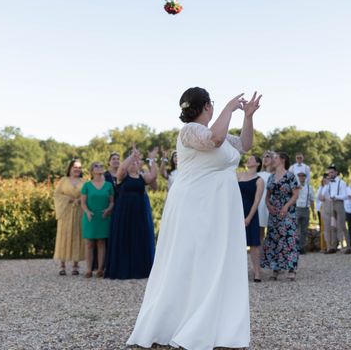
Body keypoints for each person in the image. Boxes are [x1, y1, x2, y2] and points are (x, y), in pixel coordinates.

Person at [127, 88, 261, 350]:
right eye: (212, 105)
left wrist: (247, 117)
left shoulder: (215, 128)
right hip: (195, 206)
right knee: (191, 260)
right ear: (208, 106)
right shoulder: (189, 131)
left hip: (220, 209)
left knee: (217, 261)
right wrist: (229, 108)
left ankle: (220, 327)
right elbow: (215, 139)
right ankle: (178, 324)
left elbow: (245, 145)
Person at [105, 146, 158, 280]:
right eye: (132, 162)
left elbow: (153, 177)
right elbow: (122, 168)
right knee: (124, 238)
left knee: (138, 238)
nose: (134, 163)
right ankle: (123, 270)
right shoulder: (122, 176)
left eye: (136, 161)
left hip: (139, 213)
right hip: (124, 213)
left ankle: (140, 269)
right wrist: (132, 156)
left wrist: (152, 160)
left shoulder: (142, 176)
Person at [261, 151, 300, 279]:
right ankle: (275, 269)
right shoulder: (271, 177)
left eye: (275, 157)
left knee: (289, 238)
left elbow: (295, 194)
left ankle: (291, 269)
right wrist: (268, 205)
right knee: (274, 239)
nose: (273, 159)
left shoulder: (290, 176)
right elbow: (267, 196)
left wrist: (286, 206)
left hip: (288, 212)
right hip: (274, 213)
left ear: (282, 160)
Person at [80, 161, 114, 278]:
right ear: (91, 170)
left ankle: (100, 269)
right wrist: (87, 212)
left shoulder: (109, 185)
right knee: (89, 243)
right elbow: (83, 203)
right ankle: (88, 270)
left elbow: (112, 202)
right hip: (90, 217)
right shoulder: (87, 185)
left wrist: (108, 209)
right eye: (96, 166)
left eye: (101, 166)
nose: (99, 167)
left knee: (101, 242)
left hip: (104, 217)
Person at [53, 158, 85, 276]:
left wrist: (80, 200)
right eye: (75, 167)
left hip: (79, 212)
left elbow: (87, 195)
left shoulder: (84, 182)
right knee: (64, 235)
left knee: (77, 235)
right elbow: (56, 195)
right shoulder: (63, 180)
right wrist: (70, 199)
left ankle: (76, 265)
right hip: (65, 212)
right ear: (70, 168)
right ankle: (62, 265)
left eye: (79, 167)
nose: (77, 169)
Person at [237, 155, 264, 281]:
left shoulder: (259, 180)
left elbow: (257, 201)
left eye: (252, 158)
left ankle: (257, 272)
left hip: (251, 213)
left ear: (258, 163)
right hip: (236, 212)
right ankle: (237, 273)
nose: (248, 160)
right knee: (237, 244)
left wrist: (248, 218)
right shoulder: (238, 175)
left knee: (254, 245)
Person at [319, 165, 351, 254]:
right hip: (331, 205)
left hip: (339, 204)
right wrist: (326, 185)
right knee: (332, 226)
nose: (330, 174)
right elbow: (323, 193)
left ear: (336, 173)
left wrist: (335, 196)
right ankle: (333, 247)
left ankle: (346, 247)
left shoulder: (342, 182)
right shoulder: (329, 183)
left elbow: (345, 196)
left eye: (332, 172)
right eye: (329, 173)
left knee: (342, 226)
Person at [295, 171, 315, 254]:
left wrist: (313, 212)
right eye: (300, 176)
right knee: (296, 229)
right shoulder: (295, 186)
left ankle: (302, 247)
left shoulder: (309, 187)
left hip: (306, 209)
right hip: (297, 208)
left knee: (304, 230)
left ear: (305, 177)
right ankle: (295, 247)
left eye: (303, 176)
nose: (301, 177)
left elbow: (312, 200)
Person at [257, 151, 274, 244]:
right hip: (259, 205)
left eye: (268, 156)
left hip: (272, 205)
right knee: (260, 232)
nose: (265, 158)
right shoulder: (257, 174)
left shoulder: (276, 175)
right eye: (264, 157)